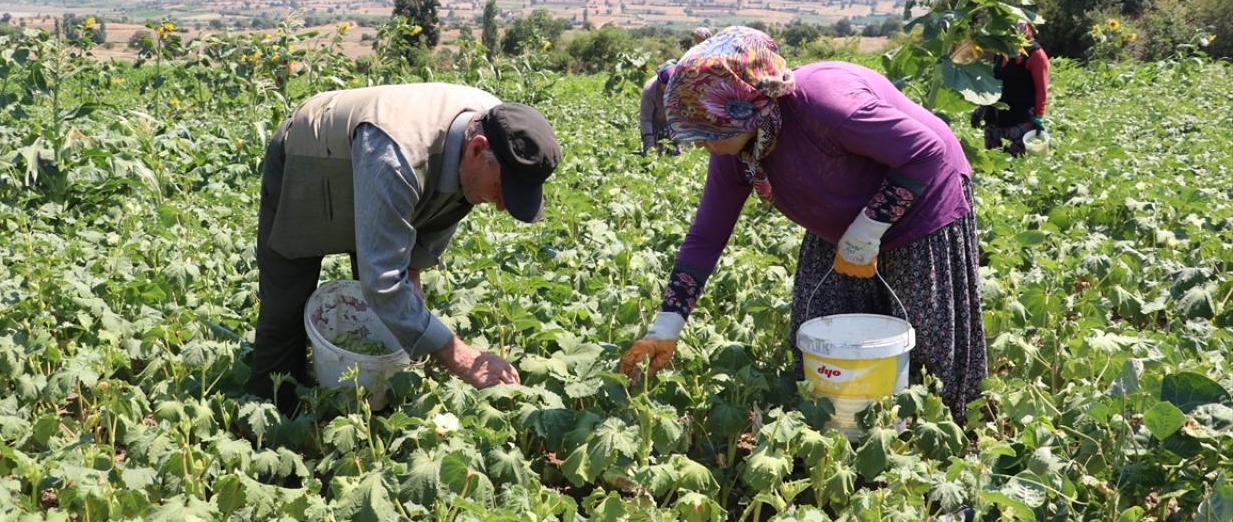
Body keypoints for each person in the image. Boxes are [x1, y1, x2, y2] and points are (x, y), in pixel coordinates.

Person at [618, 26, 985, 421]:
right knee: (821, 333)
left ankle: (935, 434)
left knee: (923, 343)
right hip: (838, 221)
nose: (700, 144)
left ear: (740, 110)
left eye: (706, 133)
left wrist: (866, 231)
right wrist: (666, 326)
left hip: (924, 203)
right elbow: (706, 237)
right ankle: (838, 431)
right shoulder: (737, 147)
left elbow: (925, 151)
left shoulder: (826, 104)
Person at [253, 83, 561, 413]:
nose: (500, 206)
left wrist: (410, 273)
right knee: (286, 306)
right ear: (476, 150)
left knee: (385, 316)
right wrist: (461, 356)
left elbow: (443, 207)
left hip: (376, 165)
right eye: (501, 189)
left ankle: (377, 407)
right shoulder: (396, 157)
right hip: (311, 158)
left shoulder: (500, 132)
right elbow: (383, 284)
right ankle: (272, 418)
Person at [972, 22, 1049, 155]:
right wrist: (981, 107)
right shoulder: (1002, 51)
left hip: (1020, 117)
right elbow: (993, 82)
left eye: (1015, 34)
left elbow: (1041, 88)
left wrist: (1039, 117)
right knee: (993, 160)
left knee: (1016, 162)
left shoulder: (1035, 54)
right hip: (995, 116)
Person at [639, 60, 681, 156]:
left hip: (673, 123)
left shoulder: (681, 90)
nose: (668, 91)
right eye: (665, 88)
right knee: (653, 154)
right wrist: (649, 140)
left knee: (676, 154)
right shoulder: (649, 90)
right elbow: (646, 119)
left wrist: (678, 140)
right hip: (654, 124)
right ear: (659, 82)